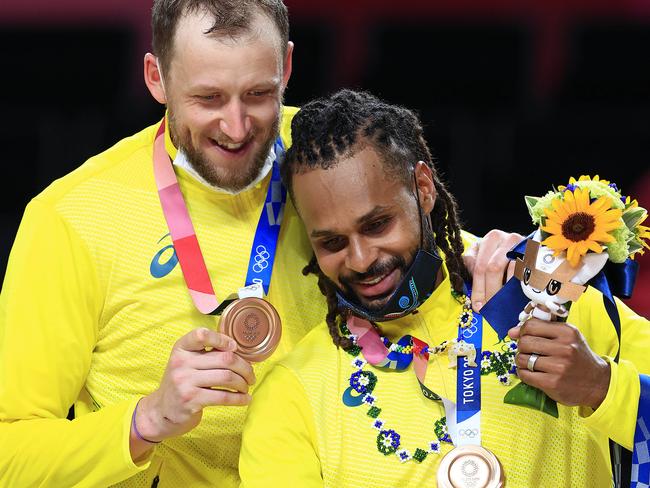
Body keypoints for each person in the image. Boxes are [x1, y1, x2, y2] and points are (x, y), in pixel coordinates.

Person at [0, 2, 522, 487]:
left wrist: (494, 259)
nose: (236, 127)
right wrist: (145, 421)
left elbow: (418, 241)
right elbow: (9, 451)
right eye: (207, 98)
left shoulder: (328, 155)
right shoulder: (72, 218)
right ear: (156, 77)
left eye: (258, 94)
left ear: (287, 68)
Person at [239, 89, 650, 487]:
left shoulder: (552, 299)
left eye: (377, 224)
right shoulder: (294, 393)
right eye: (332, 243)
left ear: (423, 187)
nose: (362, 260)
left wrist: (602, 386)